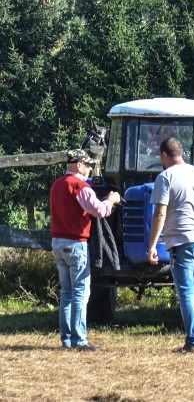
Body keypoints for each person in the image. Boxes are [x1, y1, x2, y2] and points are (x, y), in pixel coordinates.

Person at [147, 138, 194, 353]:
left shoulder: (165, 177)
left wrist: (152, 245)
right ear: (181, 153)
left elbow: (160, 212)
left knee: (186, 292)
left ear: (164, 155)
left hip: (182, 241)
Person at [49, 149, 121, 351]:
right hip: (75, 243)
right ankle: (79, 339)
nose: (90, 169)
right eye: (88, 165)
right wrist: (112, 200)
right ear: (79, 165)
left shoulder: (56, 185)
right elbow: (100, 211)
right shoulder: (80, 186)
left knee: (67, 292)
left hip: (57, 242)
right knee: (81, 291)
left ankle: (67, 338)